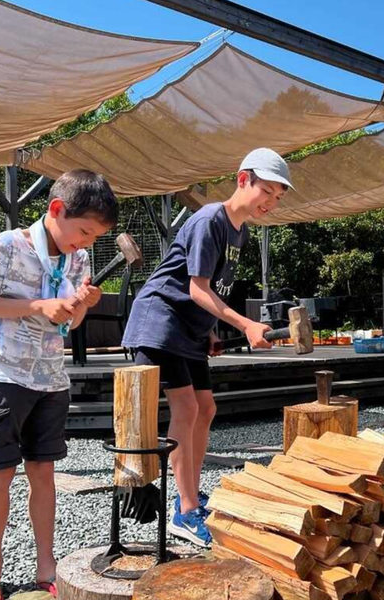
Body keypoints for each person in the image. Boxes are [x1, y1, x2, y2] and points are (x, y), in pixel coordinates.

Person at [122, 148, 294, 547]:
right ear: (242, 179)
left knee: (207, 408)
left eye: (277, 197)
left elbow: (212, 289)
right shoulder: (208, 221)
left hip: (192, 330)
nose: (270, 202)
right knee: (186, 408)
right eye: (266, 191)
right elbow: (195, 289)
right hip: (160, 323)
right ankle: (184, 511)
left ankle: (190, 495)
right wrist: (246, 323)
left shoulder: (241, 230)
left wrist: (213, 331)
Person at [0, 170, 117, 600]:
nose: (86, 242)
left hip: (50, 376)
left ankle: (45, 562)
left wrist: (81, 305)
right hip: (2, 373)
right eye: (84, 231)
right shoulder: (10, 245)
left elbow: (70, 321)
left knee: (44, 472)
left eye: (94, 237)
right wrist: (40, 305)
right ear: (56, 210)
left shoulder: (79, 260)